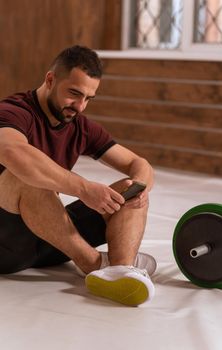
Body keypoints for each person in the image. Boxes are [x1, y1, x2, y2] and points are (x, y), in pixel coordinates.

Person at [0, 45, 156, 306]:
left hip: (48, 238)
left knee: (131, 186)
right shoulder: (13, 112)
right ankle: (96, 264)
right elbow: (13, 153)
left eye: (88, 98)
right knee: (24, 176)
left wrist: (140, 188)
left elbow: (138, 163)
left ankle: (120, 270)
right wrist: (84, 188)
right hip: (6, 244)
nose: (80, 106)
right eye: (74, 94)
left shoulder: (80, 126)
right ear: (51, 79)